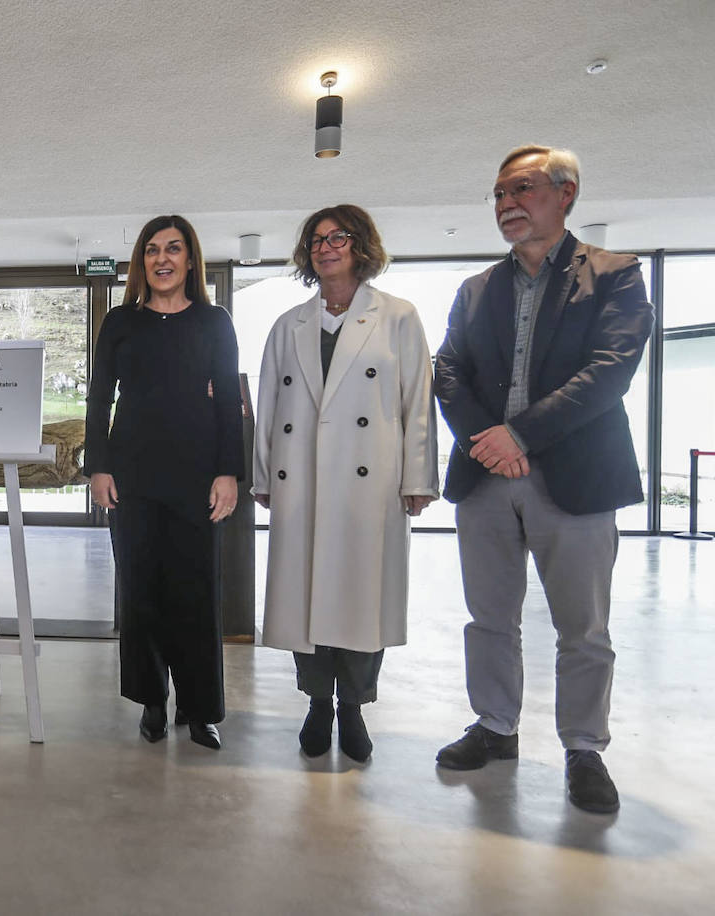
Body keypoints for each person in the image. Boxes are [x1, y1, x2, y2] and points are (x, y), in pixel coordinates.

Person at [433, 145, 654, 814]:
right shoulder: (477, 291)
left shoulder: (616, 276)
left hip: (576, 479)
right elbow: (448, 372)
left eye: (521, 189)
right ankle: (496, 727)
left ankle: (584, 748)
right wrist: (487, 441)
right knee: (489, 617)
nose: (506, 204)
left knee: (582, 628)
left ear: (566, 193)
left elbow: (610, 370)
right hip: (486, 479)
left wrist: (520, 436)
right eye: (499, 194)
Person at [253, 206, 439, 762]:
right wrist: (263, 473)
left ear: (361, 246)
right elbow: (269, 406)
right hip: (302, 478)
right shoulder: (290, 323)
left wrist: (419, 476)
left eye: (339, 237)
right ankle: (317, 703)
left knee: (362, 597)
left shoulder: (398, 316)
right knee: (304, 597)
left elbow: (417, 403)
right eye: (316, 239)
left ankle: (353, 706)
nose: (326, 246)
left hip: (369, 482)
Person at [85, 214, 243, 750]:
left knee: (196, 593)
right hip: (131, 474)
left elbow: (228, 400)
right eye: (152, 250)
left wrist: (229, 471)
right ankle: (153, 700)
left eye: (173, 249)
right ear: (141, 262)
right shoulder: (120, 323)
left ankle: (200, 710)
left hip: (198, 474)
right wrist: (98, 466)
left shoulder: (214, 321)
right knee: (141, 591)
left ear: (191, 260)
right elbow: (98, 398)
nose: (162, 259)